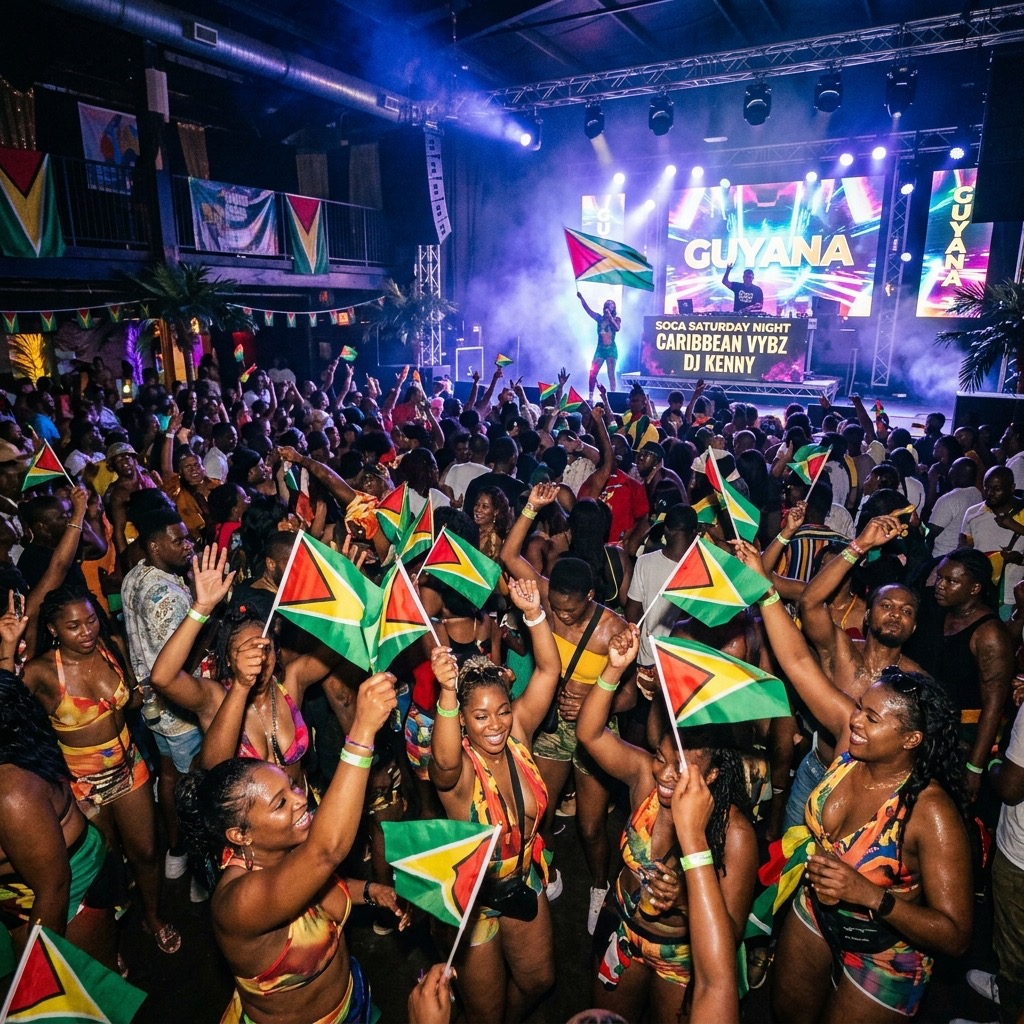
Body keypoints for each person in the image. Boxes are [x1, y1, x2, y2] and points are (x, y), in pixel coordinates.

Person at [732, 538, 974, 1024]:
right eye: (860, 708)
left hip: (885, 953)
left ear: (911, 740)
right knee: (787, 1013)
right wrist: (764, 589)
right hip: (815, 912)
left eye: (872, 718)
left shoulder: (930, 813)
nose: (856, 720)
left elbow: (954, 934)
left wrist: (871, 895)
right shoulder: (850, 739)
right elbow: (799, 662)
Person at [176, 672, 406, 1024]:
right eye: (280, 803)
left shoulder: (285, 847)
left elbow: (321, 888)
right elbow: (326, 853)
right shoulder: (239, 903)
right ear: (240, 835)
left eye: (292, 788)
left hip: (353, 1000)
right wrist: (361, 732)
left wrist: (372, 892)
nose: (300, 800)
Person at [575, 625, 756, 1024]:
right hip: (623, 930)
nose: (666, 774)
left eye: (683, 767)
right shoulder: (645, 779)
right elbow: (588, 734)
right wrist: (613, 668)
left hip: (680, 955)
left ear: (712, 775)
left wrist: (684, 901)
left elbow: (730, 935)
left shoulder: (735, 834)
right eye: (661, 757)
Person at [428, 578, 561, 1024]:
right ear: (463, 721)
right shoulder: (460, 771)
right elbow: (443, 764)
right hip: (474, 900)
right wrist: (448, 692)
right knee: (485, 1012)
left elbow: (548, 672)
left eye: (502, 711)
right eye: (481, 716)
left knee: (539, 979)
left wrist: (534, 613)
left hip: (523, 876)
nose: (496, 725)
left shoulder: (518, 733)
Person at [501, 483, 631, 935]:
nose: (563, 616)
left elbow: (632, 698)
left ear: (591, 596)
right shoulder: (547, 596)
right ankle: (549, 875)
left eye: (572, 611)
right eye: (556, 608)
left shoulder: (614, 629)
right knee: (540, 811)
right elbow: (509, 555)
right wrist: (530, 507)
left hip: (596, 732)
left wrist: (598, 699)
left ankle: (599, 886)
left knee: (591, 827)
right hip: (553, 728)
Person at [22, 584, 180, 954]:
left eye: (91, 620)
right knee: (103, 865)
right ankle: (108, 947)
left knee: (146, 852)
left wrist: (145, 694)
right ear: (53, 629)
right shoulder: (41, 672)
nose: (86, 632)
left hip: (129, 768)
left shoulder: (111, 647)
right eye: (73, 626)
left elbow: (131, 701)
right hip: (82, 784)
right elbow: (11, 715)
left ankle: (152, 917)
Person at [0, 601, 116, 968]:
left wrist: (35, 976)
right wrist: (7, 649)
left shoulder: (11, 792)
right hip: (19, 893)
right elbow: (7, 694)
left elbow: (53, 888)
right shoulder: (10, 727)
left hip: (66, 889)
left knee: (84, 986)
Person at [578, 293, 620, 400]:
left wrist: (610, 318)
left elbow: (617, 328)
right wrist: (582, 299)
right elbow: (588, 310)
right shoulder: (599, 318)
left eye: (611, 305)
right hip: (600, 349)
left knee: (611, 374)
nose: (608, 306)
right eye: (607, 304)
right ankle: (591, 397)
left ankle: (613, 396)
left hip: (611, 349)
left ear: (613, 309)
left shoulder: (616, 319)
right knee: (592, 372)